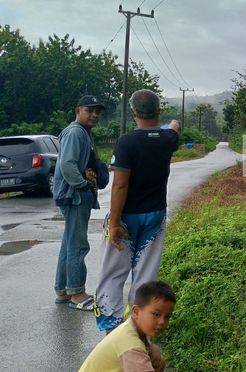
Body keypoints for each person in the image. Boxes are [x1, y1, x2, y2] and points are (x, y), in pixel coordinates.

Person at [94, 89, 181, 332]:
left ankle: (111, 327)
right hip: (155, 215)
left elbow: (120, 184)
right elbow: (174, 127)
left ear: (133, 113)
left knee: (113, 271)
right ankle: (140, 328)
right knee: (146, 273)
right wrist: (172, 124)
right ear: (159, 111)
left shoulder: (126, 142)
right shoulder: (167, 140)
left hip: (126, 217)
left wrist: (114, 223)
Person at [53, 95, 109, 310]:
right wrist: (82, 185)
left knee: (69, 244)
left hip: (72, 195)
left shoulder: (82, 132)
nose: (94, 114)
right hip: (74, 196)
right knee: (78, 245)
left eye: (97, 111)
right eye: (89, 110)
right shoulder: (76, 131)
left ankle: (63, 291)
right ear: (78, 110)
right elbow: (68, 164)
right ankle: (77, 293)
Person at [80, 281, 175, 372]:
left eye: (167, 316)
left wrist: (151, 348)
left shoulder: (131, 326)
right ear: (136, 312)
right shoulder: (131, 347)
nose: (162, 322)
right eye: (156, 314)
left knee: (157, 359)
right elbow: (133, 348)